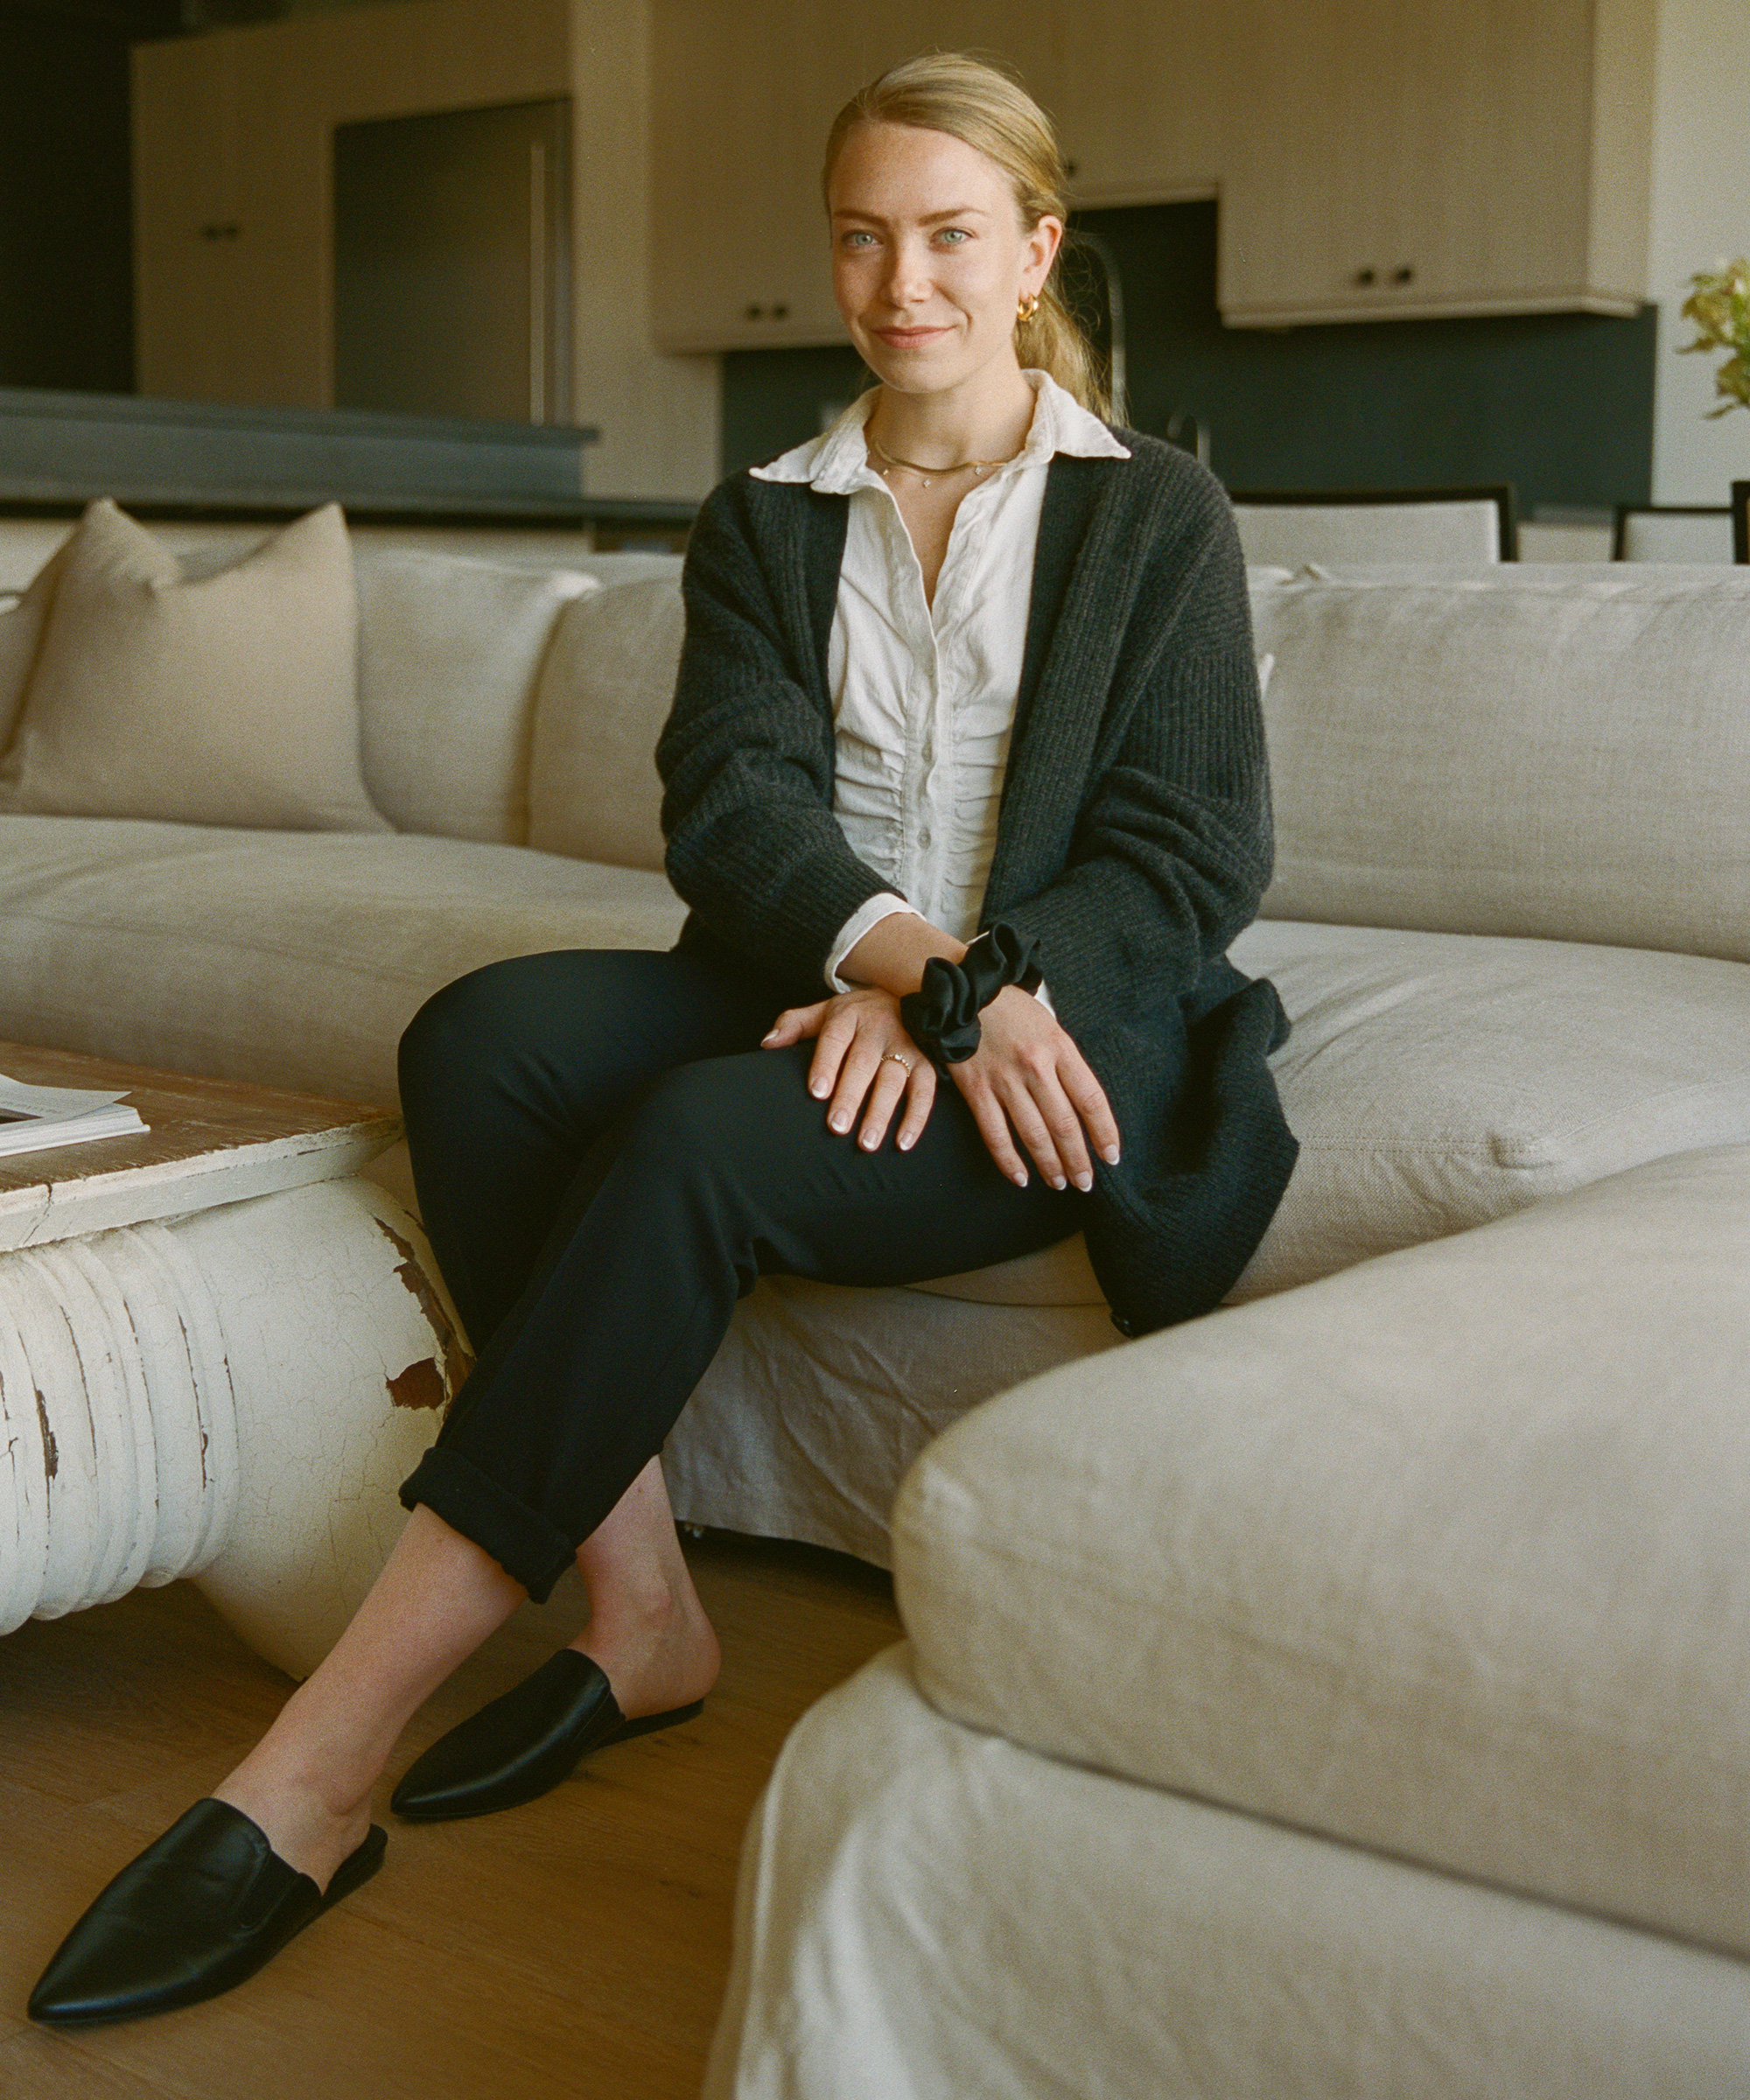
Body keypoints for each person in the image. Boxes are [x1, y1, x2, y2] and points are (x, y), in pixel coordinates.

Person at [27, 50, 1296, 2027]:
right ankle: (640, 1608)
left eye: (952, 236)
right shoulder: (766, 518)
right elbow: (734, 807)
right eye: (864, 238)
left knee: (702, 1136)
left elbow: (1192, 847)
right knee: (478, 1043)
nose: (904, 283)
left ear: (1033, 249)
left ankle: (320, 1764)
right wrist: (894, 968)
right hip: (853, 982)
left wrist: (969, 997)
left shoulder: (1160, 523)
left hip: (1065, 1034)